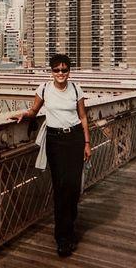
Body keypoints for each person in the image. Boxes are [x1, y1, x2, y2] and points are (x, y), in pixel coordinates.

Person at [13, 54, 91, 257]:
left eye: (64, 70)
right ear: (51, 71)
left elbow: (83, 117)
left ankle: (69, 226)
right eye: (57, 70)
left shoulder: (76, 88)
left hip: (74, 139)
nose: (61, 73)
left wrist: (87, 143)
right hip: (55, 141)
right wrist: (24, 114)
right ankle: (62, 238)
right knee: (60, 187)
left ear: (69, 71)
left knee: (73, 187)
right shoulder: (44, 89)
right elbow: (34, 110)